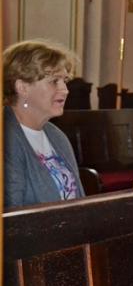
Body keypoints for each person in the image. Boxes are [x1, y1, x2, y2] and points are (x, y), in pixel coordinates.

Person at [3, 39, 84, 208]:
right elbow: (10, 215)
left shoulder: (56, 135)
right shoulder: (6, 138)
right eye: (54, 81)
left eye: (65, 80)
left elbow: (80, 200)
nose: (65, 90)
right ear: (23, 87)